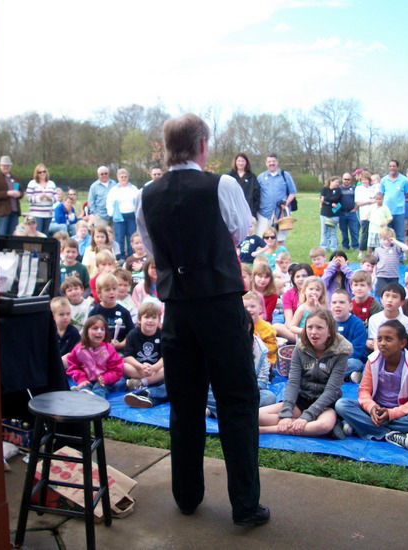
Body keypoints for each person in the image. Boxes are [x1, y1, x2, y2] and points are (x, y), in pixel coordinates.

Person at [136, 113, 266, 526]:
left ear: (167, 148)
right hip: (220, 307)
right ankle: (245, 505)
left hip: (177, 309)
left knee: (186, 404)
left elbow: (155, 248)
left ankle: (187, 495)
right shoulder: (222, 184)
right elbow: (241, 230)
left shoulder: (147, 194)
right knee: (238, 403)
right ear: (202, 145)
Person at [335, 320, 408, 450]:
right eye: (379, 339)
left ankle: (362, 428)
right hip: (376, 412)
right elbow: (364, 392)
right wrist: (372, 408)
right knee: (342, 405)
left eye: (388, 339)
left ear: (402, 343)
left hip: (400, 413)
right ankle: (390, 435)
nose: (382, 343)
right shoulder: (373, 360)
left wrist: (391, 414)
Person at [258, 308, 351, 438]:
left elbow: (331, 390)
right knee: (258, 416)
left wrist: (306, 416)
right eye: (310, 327)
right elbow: (293, 382)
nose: (313, 332)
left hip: (325, 405)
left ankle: (268, 430)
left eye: (319, 328)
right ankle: (302, 426)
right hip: (301, 400)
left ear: (329, 331)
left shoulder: (340, 353)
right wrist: (286, 414)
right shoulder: (300, 349)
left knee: (324, 425)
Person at [65, 314, 124, 398]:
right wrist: (81, 379)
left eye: (102, 329)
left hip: (103, 382)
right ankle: (82, 394)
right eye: (95, 328)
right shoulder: (79, 349)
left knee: (99, 389)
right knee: (84, 387)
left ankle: (96, 403)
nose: (99, 332)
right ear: (86, 331)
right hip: (86, 379)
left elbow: (117, 369)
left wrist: (106, 378)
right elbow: (73, 366)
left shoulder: (108, 349)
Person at [122, 302, 168, 408]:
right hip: (137, 368)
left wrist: (154, 368)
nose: (150, 320)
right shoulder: (133, 334)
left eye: (154, 317)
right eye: (146, 317)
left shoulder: (162, 334)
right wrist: (140, 366)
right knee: (123, 366)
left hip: (155, 370)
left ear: (159, 320)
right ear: (139, 319)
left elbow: (165, 357)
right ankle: (143, 383)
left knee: (168, 368)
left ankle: (142, 383)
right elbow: (127, 356)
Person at [256, 154, 296, 244]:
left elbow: (292, 193)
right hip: (264, 213)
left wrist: (286, 203)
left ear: (277, 162)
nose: (271, 163)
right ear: (266, 163)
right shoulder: (261, 177)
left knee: (280, 240)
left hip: (280, 214)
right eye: (269, 162)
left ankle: (281, 257)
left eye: (273, 161)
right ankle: (264, 257)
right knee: (263, 239)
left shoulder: (285, 175)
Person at [330, 289, 368, 382]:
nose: (337, 305)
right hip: (329, 360)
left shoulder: (358, 324)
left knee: (355, 364)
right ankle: (348, 376)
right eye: (334, 303)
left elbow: (358, 351)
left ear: (350, 306)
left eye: (342, 302)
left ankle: (325, 375)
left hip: (349, 360)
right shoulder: (327, 323)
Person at [89, 272, 135, 349]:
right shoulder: (94, 312)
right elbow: (89, 335)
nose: (112, 292)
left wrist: (120, 344)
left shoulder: (124, 312)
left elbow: (131, 335)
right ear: (99, 293)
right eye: (107, 290)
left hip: (120, 352)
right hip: (99, 350)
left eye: (114, 289)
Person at [367, 282, 408, 352]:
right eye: (387, 296)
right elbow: (375, 342)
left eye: (394, 297)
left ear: (402, 302)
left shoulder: (405, 321)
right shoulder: (374, 319)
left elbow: (403, 344)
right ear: (381, 299)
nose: (390, 300)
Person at [106, 168, 140, 260]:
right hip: (119, 216)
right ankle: (120, 256)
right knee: (119, 237)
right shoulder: (114, 190)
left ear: (128, 177)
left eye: (125, 177)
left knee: (131, 236)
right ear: (118, 178)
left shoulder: (133, 189)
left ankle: (131, 255)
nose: (124, 178)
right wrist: (112, 214)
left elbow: (138, 202)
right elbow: (109, 203)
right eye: (122, 177)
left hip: (131, 215)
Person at [273, 262, 312, 343]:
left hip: (313, 328)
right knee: (275, 327)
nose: (301, 279)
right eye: (297, 276)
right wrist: (299, 331)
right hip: (295, 329)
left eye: (304, 276)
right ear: (293, 279)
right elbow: (289, 322)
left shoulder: (315, 292)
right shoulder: (288, 294)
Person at [379, 160, 408, 244]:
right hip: (386, 212)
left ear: (397, 167)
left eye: (394, 166)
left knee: (400, 234)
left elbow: (407, 194)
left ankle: (400, 253)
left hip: (399, 212)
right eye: (390, 166)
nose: (392, 168)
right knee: (386, 234)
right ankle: (387, 253)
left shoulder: (404, 180)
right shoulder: (384, 180)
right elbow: (381, 195)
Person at [243, 290, 278, 366]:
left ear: (260, 309)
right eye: (245, 307)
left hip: (265, 361)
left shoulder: (267, 328)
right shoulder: (241, 326)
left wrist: (260, 345)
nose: (249, 310)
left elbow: (274, 348)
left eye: (252, 306)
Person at [373, 228, 408, 297]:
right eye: (384, 239)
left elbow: (406, 248)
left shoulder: (396, 248)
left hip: (393, 275)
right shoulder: (378, 250)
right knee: (380, 293)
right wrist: (374, 274)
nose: (386, 242)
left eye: (388, 240)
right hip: (382, 275)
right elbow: (375, 262)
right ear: (381, 239)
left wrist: (395, 241)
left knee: (394, 294)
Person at [25, 163, 58, 235]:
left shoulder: (52, 184)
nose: (42, 174)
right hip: (36, 214)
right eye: (40, 172)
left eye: (44, 171)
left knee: (45, 234)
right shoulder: (32, 183)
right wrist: (39, 197)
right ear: (36, 174)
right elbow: (28, 198)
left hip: (48, 214)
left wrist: (50, 198)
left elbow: (56, 198)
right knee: (38, 234)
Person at [0, 155, 22, 236]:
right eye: (4, 165)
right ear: (0, 166)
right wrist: (7, 193)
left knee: (13, 234)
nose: (6, 167)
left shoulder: (15, 178)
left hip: (15, 211)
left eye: (7, 165)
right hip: (3, 212)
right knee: (2, 235)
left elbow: (21, 192)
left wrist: (19, 194)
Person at [50, 296, 80, 364]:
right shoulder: (50, 331)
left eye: (68, 314)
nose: (65, 317)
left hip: (69, 364)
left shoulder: (73, 332)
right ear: (53, 316)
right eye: (61, 314)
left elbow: (76, 352)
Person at [355, 171, 378, 256]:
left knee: (374, 232)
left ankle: (374, 251)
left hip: (373, 214)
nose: (364, 181)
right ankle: (361, 251)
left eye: (366, 180)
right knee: (365, 232)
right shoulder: (359, 189)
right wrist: (369, 201)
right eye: (363, 180)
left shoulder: (372, 188)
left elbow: (376, 198)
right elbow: (358, 203)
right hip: (364, 214)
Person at [337, 172, 360, 251]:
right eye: (345, 179)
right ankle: (345, 246)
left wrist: (355, 208)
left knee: (354, 230)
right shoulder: (339, 189)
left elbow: (358, 199)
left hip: (352, 213)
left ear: (351, 180)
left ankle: (355, 245)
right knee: (344, 231)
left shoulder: (354, 188)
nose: (346, 181)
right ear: (342, 179)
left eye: (348, 179)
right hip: (342, 213)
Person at [319, 176, 342, 251]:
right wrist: (330, 203)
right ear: (331, 181)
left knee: (333, 232)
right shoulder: (325, 189)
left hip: (334, 214)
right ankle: (324, 247)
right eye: (336, 182)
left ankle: (334, 248)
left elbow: (337, 199)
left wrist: (327, 200)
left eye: (338, 182)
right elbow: (322, 199)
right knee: (324, 231)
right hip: (325, 213)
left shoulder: (338, 190)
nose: (337, 184)